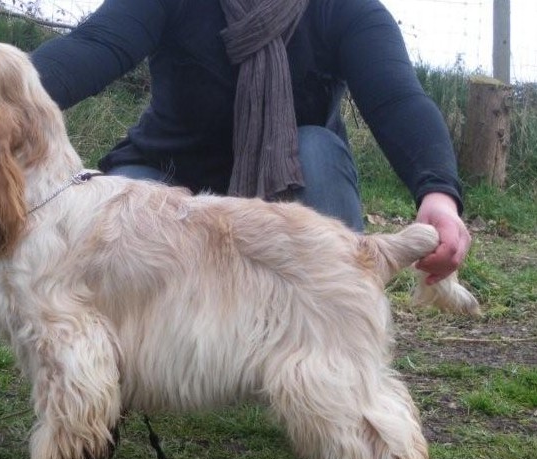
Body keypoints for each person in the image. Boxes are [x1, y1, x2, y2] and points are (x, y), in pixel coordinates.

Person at [30, 0, 471, 284]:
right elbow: (95, 45)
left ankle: (326, 340)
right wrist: (4, 90)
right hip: (168, 178)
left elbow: (397, 100)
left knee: (317, 149)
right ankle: (124, 359)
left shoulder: (344, 9)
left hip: (286, 195)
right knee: (124, 194)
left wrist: (438, 194)